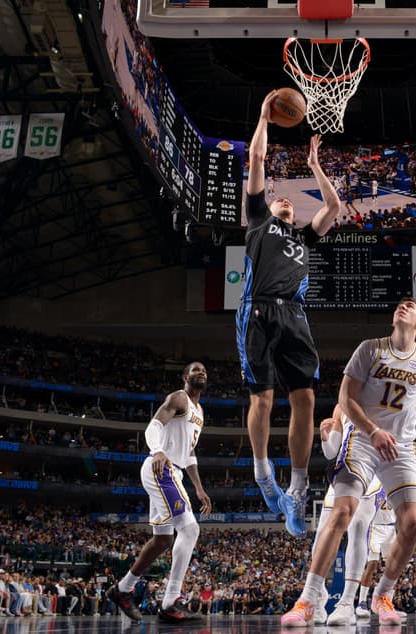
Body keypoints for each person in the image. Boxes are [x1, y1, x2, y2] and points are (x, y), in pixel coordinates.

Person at [280, 297, 416, 626]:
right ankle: (307, 599)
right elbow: (345, 398)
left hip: (402, 448)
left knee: (414, 524)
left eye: (412, 306)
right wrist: (373, 430)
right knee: (344, 511)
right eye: (400, 304)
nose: (404, 307)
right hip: (363, 441)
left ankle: (382, 595)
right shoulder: (370, 349)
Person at [238, 91, 340, 538]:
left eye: (290, 203)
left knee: (307, 399)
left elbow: (333, 208)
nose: (286, 202)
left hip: (295, 315)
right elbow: (257, 158)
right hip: (257, 311)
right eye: (280, 199)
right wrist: (263, 115)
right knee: (262, 398)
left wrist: (315, 166)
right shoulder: (258, 219)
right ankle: (264, 474)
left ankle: (297, 490)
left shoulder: (306, 238)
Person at [107, 362, 213, 623]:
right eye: (196, 369)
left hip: (174, 471)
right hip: (161, 467)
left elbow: (189, 453)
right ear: (185, 376)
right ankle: (170, 602)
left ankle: (122, 589)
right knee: (190, 529)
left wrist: (198, 487)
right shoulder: (179, 398)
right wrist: (158, 450)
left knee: (164, 540)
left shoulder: (199, 411)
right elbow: (153, 426)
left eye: (205, 371)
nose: (202, 372)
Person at [315, 405, 386, 626]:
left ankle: (347, 602)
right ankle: (318, 598)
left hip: (374, 471)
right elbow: (330, 451)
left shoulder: (386, 394)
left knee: (358, 528)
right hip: (344, 470)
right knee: (321, 536)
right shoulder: (341, 406)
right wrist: (325, 436)